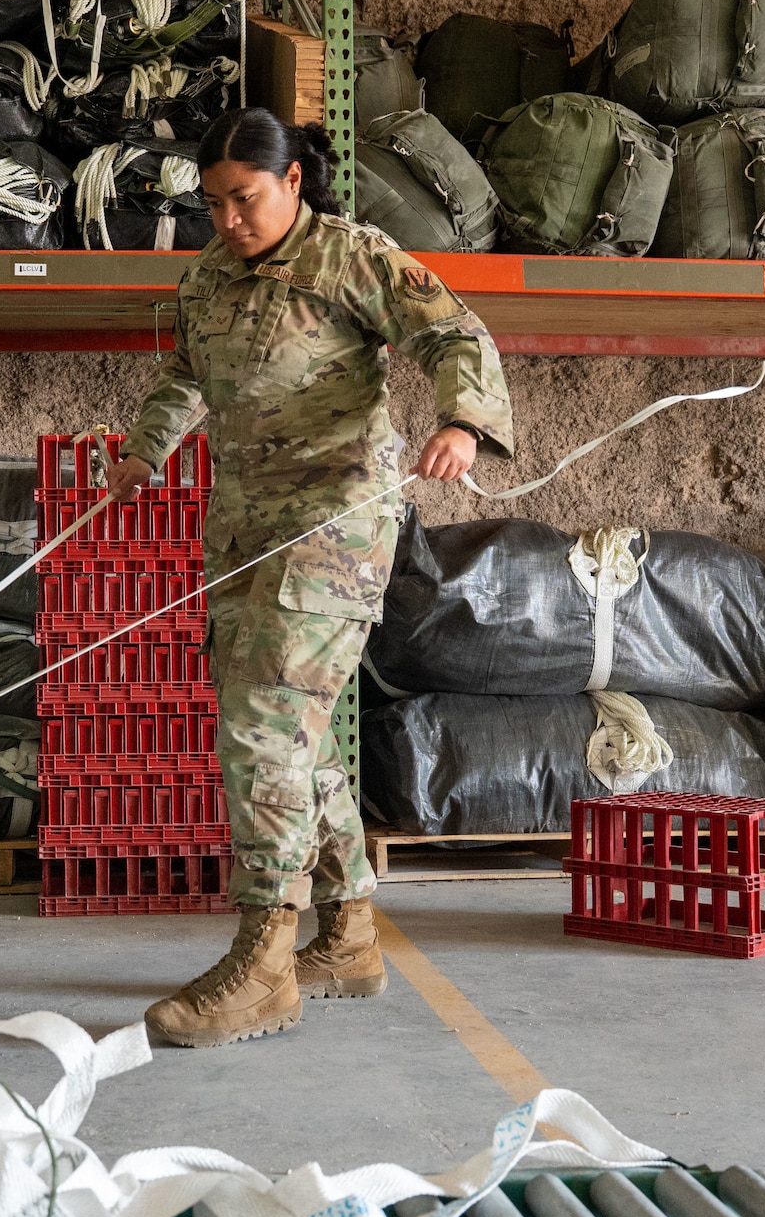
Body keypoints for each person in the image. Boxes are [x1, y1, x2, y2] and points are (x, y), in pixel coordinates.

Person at [106, 107, 514, 1048]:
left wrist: (459, 423)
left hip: (333, 527)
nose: (228, 221)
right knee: (306, 734)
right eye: (213, 204)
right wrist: (144, 453)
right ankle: (349, 933)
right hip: (245, 524)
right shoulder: (209, 277)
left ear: (293, 183)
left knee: (261, 726)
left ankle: (263, 957)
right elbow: (184, 376)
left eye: (244, 200)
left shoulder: (352, 258)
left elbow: (452, 334)